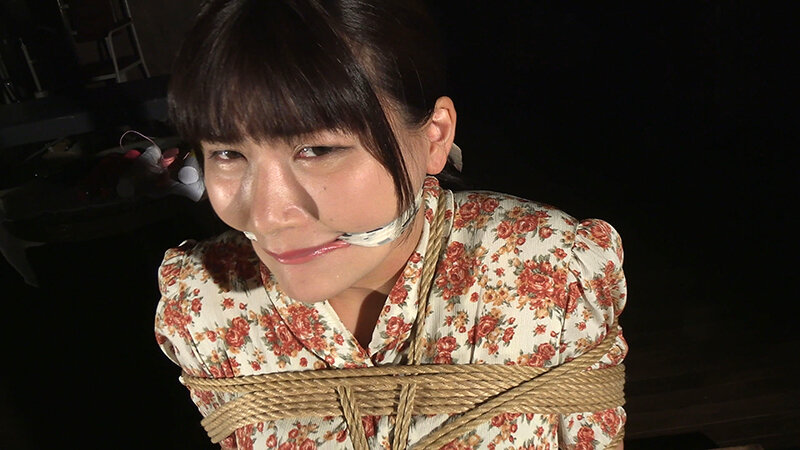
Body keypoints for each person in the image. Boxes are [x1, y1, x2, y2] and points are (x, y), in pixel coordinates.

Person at [154, 0, 628, 448]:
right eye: (228, 154)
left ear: (434, 137)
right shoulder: (204, 305)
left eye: (317, 150)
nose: (266, 215)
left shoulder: (549, 272)